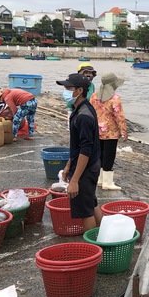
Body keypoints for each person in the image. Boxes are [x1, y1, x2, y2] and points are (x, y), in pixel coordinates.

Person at [56, 73, 102, 232]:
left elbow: (86, 149)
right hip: (88, 165)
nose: (65, 91)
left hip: (86, 168)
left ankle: (93, 247)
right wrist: (69, 165)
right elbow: (78, 146)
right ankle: (102, 236)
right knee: (91, 203)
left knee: (85, 211)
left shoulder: (84, 116)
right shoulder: (82, 109)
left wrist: (75, 180)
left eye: (68, 88)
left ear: (79, 90)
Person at [90, 72, 127, 191]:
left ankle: (100, 180)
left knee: (100, 155)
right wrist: (124, 132)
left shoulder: (94, 96)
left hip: (97, 130)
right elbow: (119, 116)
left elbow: (91, 112)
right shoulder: (115, 98)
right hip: (111, 132)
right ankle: (107, 182)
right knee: (109, 156)